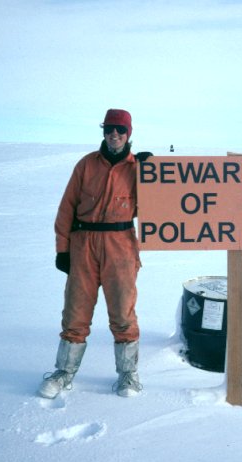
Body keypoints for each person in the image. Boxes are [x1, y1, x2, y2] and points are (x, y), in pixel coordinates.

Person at [38, 108, 150, 399]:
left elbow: (165, 203)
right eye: (109, 129)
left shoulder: (139, 168)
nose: (114, 135)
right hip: (83, 243)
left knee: (123, 313)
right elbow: (66, 209)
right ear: (103, 131)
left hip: (121, 244)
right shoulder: (86, 165)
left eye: (120, 130)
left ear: (129, 134)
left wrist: (154, 172)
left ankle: (128, 376)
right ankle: (64, 372)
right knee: (75, 313)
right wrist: (63, 250)